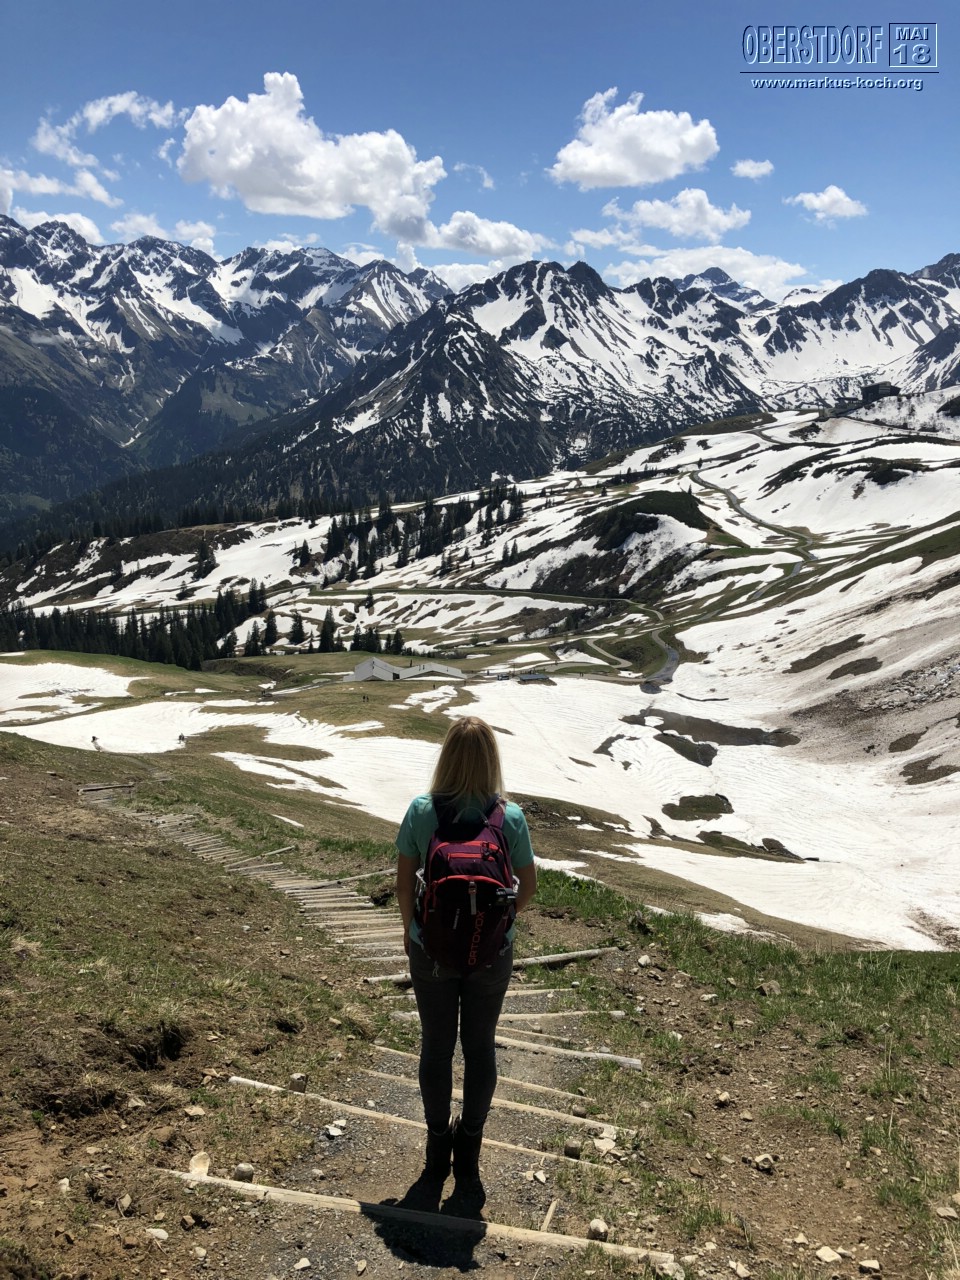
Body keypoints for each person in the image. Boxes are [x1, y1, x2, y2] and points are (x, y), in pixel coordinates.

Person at [395, 716, 537, 1198]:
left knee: (436, 1047)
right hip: (491, 953)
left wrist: (412, 929)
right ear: (491, 759)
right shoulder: (509, 817)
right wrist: (497, 923)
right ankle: (469, 1150)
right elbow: (528, 886)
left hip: (431, 950)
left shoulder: (422, 810)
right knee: (480, 1048)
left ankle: (437, 1147)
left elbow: (404, 882)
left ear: (447, 756)